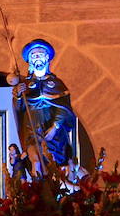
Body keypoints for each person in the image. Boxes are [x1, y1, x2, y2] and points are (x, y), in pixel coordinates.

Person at [7, 40, 76, 170]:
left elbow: (63, 108)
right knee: (36, 160)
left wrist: (55, 127)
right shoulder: (25, 84)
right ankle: (37, 185)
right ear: (30, 61)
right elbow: (20, 109)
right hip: (32, 130)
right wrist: (18, 96)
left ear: (47, 58)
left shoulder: (56, 84)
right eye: (33, 55)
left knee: (55, 164)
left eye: (40, 54)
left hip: (52, 132)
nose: (37, 57)